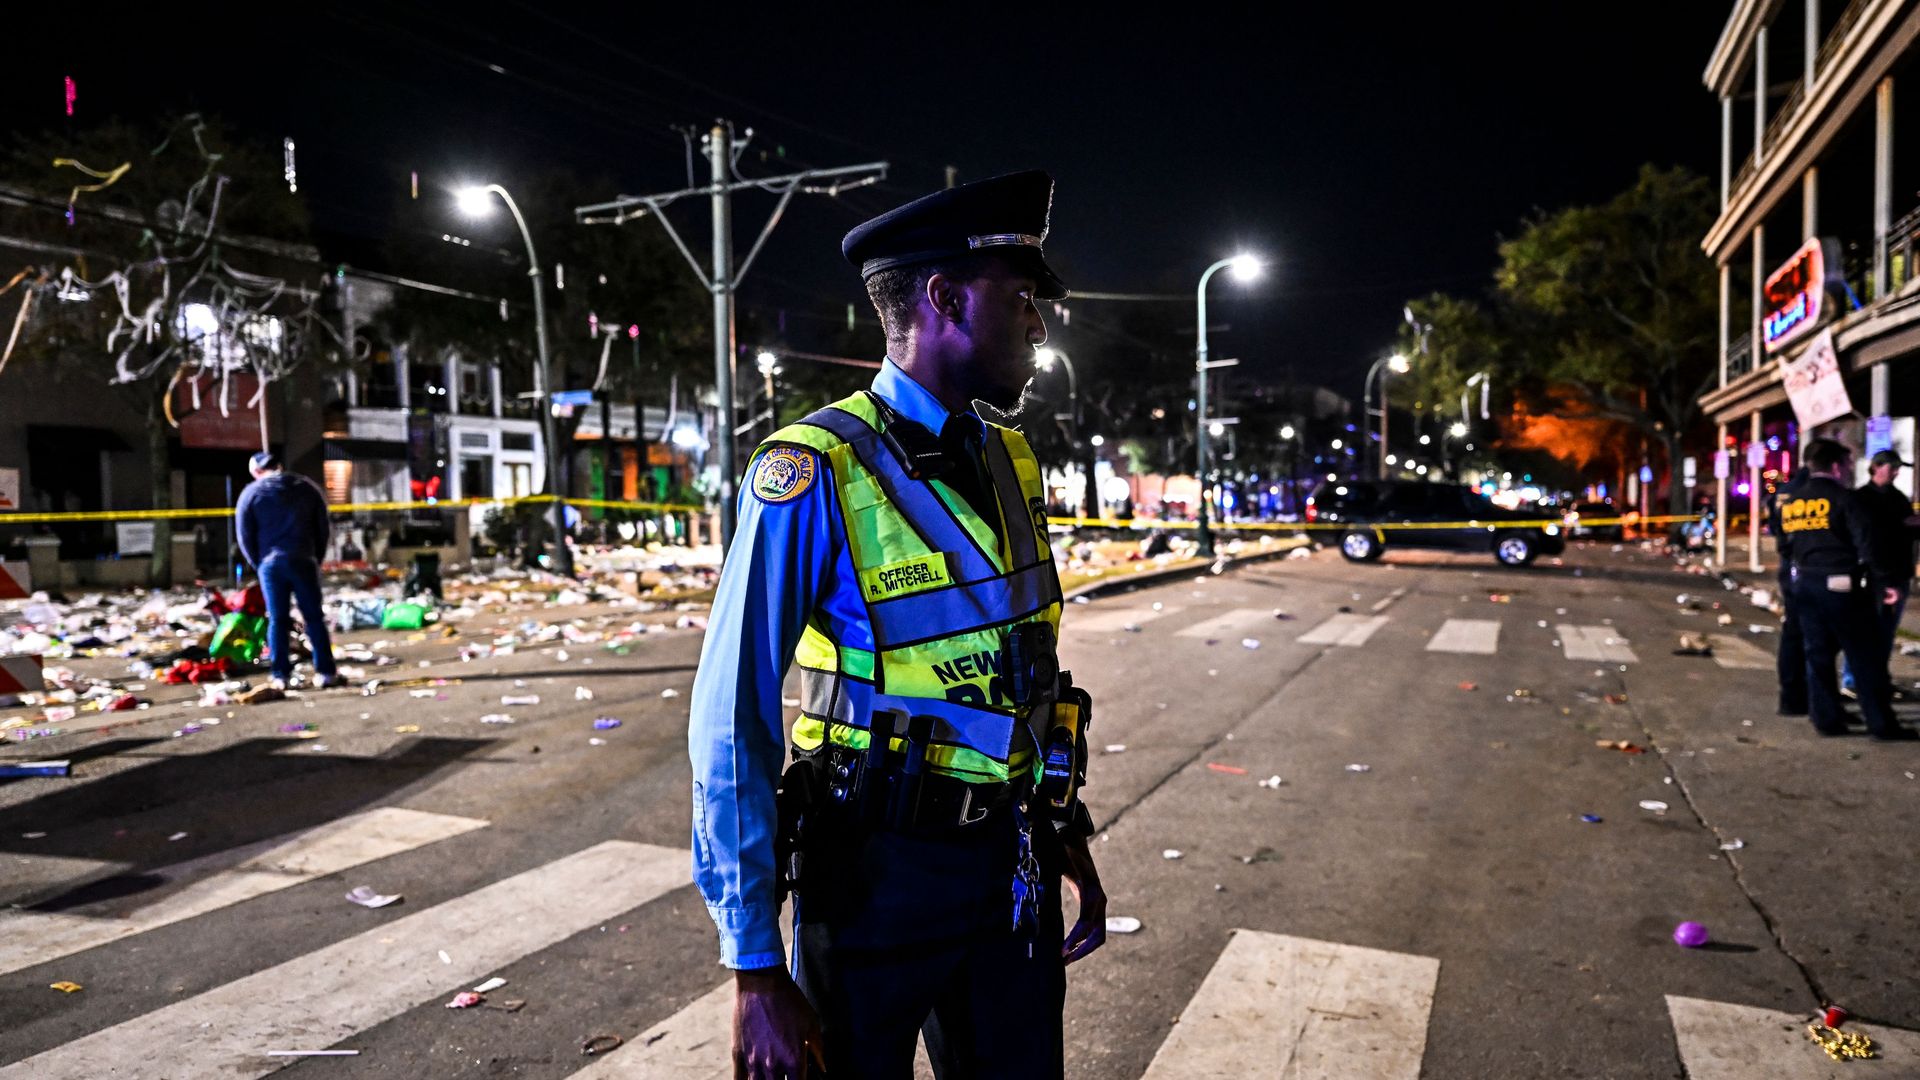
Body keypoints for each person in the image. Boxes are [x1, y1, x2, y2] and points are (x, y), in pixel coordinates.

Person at [689, 171, 1107, 1080]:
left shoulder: (1009, 458)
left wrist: (1061, 826)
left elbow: (1021, 670)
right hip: (875, 874)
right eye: (1024, 298)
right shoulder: (811, 470)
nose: (1038, 325)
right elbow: (733, 721)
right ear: (947, 299)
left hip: (1012, 863)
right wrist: (754, 965)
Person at [1777, 438, 1915, 739]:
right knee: (1866, 656)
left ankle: (1826, 720)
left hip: (1805, 585)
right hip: (1842, 585)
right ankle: (1881, 724)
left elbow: (1786, 546)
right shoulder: (1845, 499)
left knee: (1818, 655)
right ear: (1837, 466)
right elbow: (1866, 544)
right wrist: (1886, 583)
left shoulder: (1793, 502)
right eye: (1848, 464)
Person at [235, 451, 345, 689]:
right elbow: (322, 527)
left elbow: (244, 536)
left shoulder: (251, 494)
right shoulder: (306, 488)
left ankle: (280, 675)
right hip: (304, 559)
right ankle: (326, 672)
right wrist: (316, 556)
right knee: (314, 617)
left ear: (256, 472)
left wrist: (259, 563)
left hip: (271, 565)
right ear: (280, 465)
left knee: (277, 619)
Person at [1842, 449, 1920, 706]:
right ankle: (1854, 681)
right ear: (1876, 467)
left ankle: (1877, 679)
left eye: (1898, 468)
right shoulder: (1862, 499)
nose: (1896, 472)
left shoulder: (1897, 498)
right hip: (1875, 576)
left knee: (1885, 632)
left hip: (1897, 572)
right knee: (1866, 630)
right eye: (1892, 467)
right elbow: (1870, 540)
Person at [1766, 465, 1809, 715]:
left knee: (1792, 632)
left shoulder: (1784, 492)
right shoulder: (1811, 494)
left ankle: (1791, 696)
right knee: (1809, 637)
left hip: (1789, 566)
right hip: (1807, 567)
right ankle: (1804, 696)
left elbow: (1775, 527)